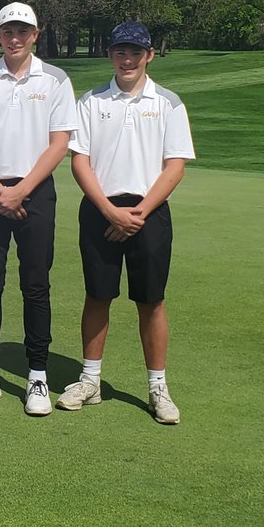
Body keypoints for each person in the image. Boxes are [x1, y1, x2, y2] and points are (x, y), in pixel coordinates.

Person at [58, 21, 195, 424]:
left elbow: (175, 166)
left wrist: (138, 213)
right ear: (110, 55)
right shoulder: (91, 101)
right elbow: (79, 160)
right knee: (98, 295)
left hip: (148, 213)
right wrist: (109, 210)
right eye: (120, 51)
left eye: (135, 52)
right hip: (101, 209)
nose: (127, 59)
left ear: (149, 55)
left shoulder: (168, 103)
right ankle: (90, 380)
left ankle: (157, 387)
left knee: (151, 300)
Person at [0, 2, 77, 415]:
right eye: (8, 31)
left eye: (23, 31)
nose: (15, 38)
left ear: (36, 34)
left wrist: (21, 190)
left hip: (35, 191)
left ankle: (37, 376)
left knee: (36, 285)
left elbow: (59, 142)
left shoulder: (56, 79)